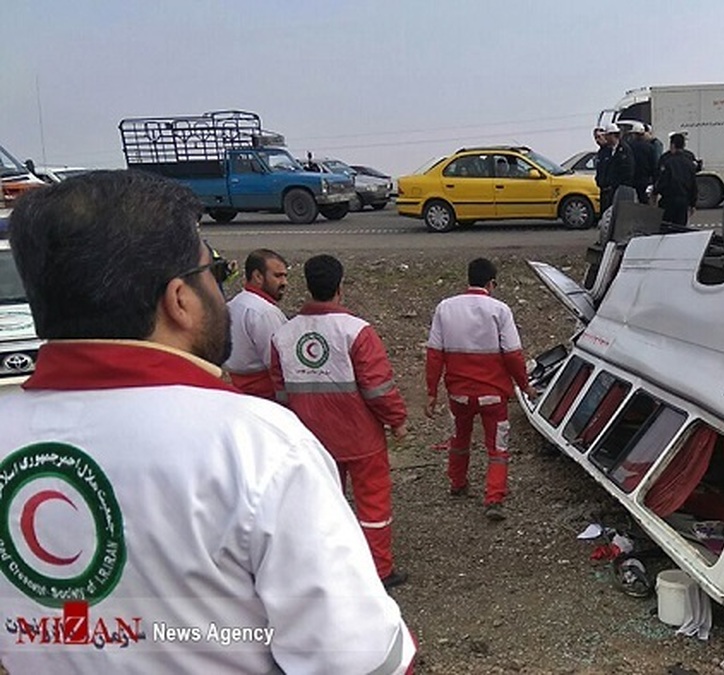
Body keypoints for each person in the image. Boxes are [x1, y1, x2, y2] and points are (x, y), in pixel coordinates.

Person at [0, 171, 414, 673]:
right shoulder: (256, 446)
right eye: (215, 273)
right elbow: (361, 661)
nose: (225, 292)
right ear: (179, 299)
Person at [270, 254, 409, 588]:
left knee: (320, 503)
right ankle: (379, 571)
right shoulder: (356, 332)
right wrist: (397, 420)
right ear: (340, 287)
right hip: (360, 438)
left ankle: (324, 568)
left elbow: (281, 392)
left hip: (312, 438)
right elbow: (378, 388)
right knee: (373, 505)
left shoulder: (283, 336)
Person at [425, 258, 536, 521]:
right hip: (493, 394)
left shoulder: (445, 308)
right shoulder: (500, 310)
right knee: (497, 447)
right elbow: (512, 355)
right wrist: (524, 385)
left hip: (458, 394)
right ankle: (494, 497)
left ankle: (457, 482)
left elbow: (434, 354)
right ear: (491, 283)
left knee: (459, 439)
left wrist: (431, 392)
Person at [224, 248, 289, 398]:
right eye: (278, 276)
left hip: (240, 391)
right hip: (267, 394)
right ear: (258, 276)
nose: (284, 282)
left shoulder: (233, 304)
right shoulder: (263, 312)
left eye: (285, 276)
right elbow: (277, 362)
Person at [654, 131, 699, 226]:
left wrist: (655, 192)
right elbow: (693, 184)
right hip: (683, 201)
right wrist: (692, 203)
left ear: (672, 145)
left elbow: (662, 181)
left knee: (666, 227)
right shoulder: (689, 162)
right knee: (680, 228)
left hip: (668, 200)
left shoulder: (667, 161)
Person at [594, 122, 635, 214]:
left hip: (618, 190)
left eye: (607, 135)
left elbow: (628, 171)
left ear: (612, 135)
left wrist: (618, 185)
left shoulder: (624, 150)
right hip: (606, 190)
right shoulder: (607, 150)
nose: (605, 138)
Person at [625, 121, 658, 204]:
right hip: (645, 181)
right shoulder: (650, 148)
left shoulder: (628, 147)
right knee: (644, 203)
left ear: (634, 134)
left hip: (630, 181)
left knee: (630, 204)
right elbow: (654, 166)